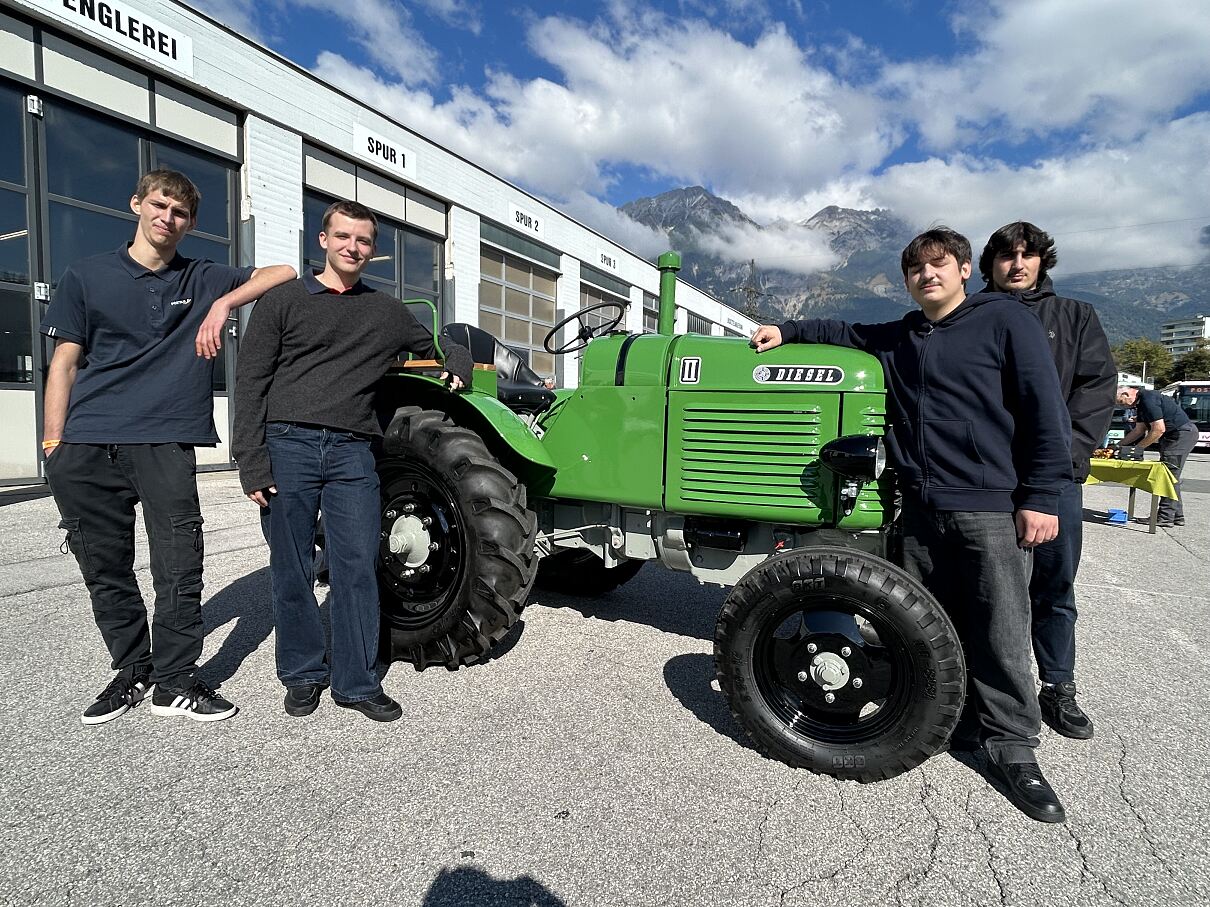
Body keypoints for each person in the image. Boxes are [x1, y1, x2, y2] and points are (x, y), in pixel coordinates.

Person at [751, 227, 1072, 823]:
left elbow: (1043, 410)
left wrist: (1042, 497)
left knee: (1001, 627)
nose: (928, 276)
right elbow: (846, 332)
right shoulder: (903, 335)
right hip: (919, 510)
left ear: (965, 270)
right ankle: (953, 722)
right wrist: (786, 329)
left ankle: (1015, 748)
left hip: (988, 505)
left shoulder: (1005, 322)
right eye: (917, 269)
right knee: (931, 625)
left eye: (940, 265)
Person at [41, 168, 297, 725]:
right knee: (105, 567)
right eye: (159, 205)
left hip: (165, 439)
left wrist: (223, 304)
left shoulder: (203, 277)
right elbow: (63, 363)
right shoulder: (86, 276)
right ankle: (132, 669)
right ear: (137, 204)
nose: (167, 218)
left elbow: (284, 271)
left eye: (180, 213)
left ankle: (174, 681)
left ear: (190, 223)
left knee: (179, 567)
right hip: (87, 442)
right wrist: (53, 444)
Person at [232, 199, 473, 723]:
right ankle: (301, 674)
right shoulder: (283, 300)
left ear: (373, 250)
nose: (352, 247)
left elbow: (434, 345)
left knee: (357, 565)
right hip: (287, 444)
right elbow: (249, 382)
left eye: (363, 241)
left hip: (351, 452)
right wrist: (251, 461)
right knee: (292, 567)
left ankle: (357, 682)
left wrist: (457, 358)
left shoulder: (384, 312)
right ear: (324, 240)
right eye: (343, 237)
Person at [979, 222, 1116, 741]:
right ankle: (981, 685)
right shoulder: (968, 316)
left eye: (1028, 256)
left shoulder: (1076, 317)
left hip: (1054, 478)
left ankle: (1058, 687)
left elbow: (1097, 388)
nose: (1017, 265)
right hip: (989, 477)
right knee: (985, 587)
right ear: (989, 264)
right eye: (1007, 256)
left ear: (1042, 262)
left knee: (1054, 587)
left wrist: (1066, 458)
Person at [1117, 385, 1198, 526]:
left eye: (1121, 402)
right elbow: (1139, 430)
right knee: (1172, 476)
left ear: (1126, 394)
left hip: (1180, 435)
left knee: (1167, 476)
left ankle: (1165, 517)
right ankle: (1177, 516)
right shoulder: (1141, 403)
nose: (1122, 406)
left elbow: (1159, 429)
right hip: (1176, 435)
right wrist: (1118, 446)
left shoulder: (1149, 398)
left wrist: (1138, 449)